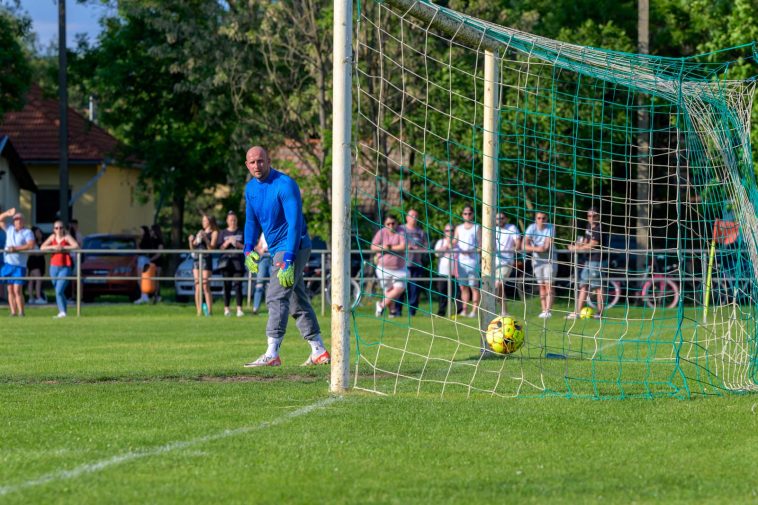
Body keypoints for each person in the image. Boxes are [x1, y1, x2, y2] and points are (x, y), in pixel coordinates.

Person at [241, 145, 330, 367]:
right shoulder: (250, 189)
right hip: (277, 249)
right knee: (295, 297)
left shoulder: (285, 184)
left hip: (294, 245)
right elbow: (251, 222)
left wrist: (289, 258)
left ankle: (272, 353)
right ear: (247, 165)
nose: (257, 165)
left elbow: (295, 224)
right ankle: (318, 350)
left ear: (269, 160)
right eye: (252, 162)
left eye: (260, 161)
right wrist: (248, 248)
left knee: (275, 295)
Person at [567, 207, 605, 319]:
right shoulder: (589, 226)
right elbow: (586, 241)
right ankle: (577, 312)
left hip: (597, 261)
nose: (591, 218)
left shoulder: (599, 228)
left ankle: (599, 313)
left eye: (594, 216)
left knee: (598, 287)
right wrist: (577, 244)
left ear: (598, 216)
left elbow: (592, 245)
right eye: (589, 216)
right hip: (588, 260)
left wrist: (576, 249)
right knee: (583, 285)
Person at [0, 208, 36, 316]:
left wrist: (16, 248)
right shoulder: (10, 229)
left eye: (20, 219)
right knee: (10, 290)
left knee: (17, 290)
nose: (18, 221)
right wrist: (7, 213)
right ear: (13, 221)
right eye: (16, 219)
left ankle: (21, 312)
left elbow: (30, 245)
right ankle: (13, 312)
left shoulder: (27, 232)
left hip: (19, 265)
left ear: (23, 221)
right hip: (8, 264)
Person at [40, 220, 79, 318]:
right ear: (54, 229)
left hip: (65, 266)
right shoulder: (52, 237)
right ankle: (64, 312)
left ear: (63, 229)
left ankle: (61, 311)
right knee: (58, 291)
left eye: (61, 227)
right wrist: (54, 247)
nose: (59, 230)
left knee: (59, 290)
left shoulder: (67, 237)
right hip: (53, 267)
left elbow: (76, 246)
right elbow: (42, 247)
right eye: (56, 228)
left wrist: (63, 247)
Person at [371, 214, 407, 318]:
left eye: (393, 223)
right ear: (385, 224)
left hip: (399, 268)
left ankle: (381, 305)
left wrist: (389, 247)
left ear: (397, 223)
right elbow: (373, 246)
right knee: (388, 290)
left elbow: (403, 246)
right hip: (383, 267)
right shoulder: (381, 232)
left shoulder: (401, 231)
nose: (391, 226)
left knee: (399, 288)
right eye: (388, 224)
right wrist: (383, 247)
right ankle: (393, 312)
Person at [524, 211, 556, 318]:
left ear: (547, 219)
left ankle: (548, 310)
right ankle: (543, 310)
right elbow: (524, 245)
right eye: (539, 218)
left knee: (549, 285)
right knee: (541, 285)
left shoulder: (551, 228)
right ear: (535, 219)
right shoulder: (531, 228)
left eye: (543, 218)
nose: (541, 220)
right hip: (537, 260)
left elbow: (546, 246)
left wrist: (534, 248)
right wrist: (537, 248)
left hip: (549, 259)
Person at [397, 208, 429, 317]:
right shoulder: (400, 230)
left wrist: (416, 248)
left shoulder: (421, 232)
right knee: (399, 288)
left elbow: (426, 248)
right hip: (401, 265)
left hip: (416, 265)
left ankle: (412, 313)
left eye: (416, 216)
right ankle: (397, 312)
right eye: (411, 216)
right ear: (406, 217)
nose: (413, 218)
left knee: (414, 290)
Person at [453, 204, 481, 318]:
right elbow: (454, 242)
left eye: (469, 213)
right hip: (461, 262)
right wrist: (447, 245)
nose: (467, 215)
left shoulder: (477, 227)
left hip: (473, 261)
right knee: (463, 287)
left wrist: (471, 250)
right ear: (462, 215)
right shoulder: (458, 228)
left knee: (474, 286)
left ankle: (474, 311)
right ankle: (464, 310)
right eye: (465, 213)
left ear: (473, 214)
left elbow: (481, 245)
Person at [188, 214, 219, 316]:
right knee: (197, 285)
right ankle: (198, 310)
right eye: (203, 220)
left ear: (209, 221)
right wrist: (191, 241)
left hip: (206, 259)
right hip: (197, 259)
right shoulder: (199, 232)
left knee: (205, 285)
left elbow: (211, 248)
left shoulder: (214, 233)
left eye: (205, 220)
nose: (203, 222)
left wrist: (205, 238)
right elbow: (192, 249)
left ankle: (209, 311)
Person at [218, 210, 245, 317]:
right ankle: (227, 309)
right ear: (227, 221)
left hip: (238, 262)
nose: (233, 222)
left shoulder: (241, 232)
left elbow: (246, 247)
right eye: (231, 220)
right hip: (226, 263)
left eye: (234, 220)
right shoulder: (223, 233)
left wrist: (237, 244)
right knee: (227, 286)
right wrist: (227, 242)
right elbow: (219, 248)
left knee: (238, 285)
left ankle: (239, 309)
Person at [495, 213, 522, 316]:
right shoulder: (492, 229)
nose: (499, 220)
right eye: (497, 218)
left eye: (502, 218)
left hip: (506, 262)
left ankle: (501, 310)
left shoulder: (512, 228)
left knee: (498, 285)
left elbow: (518, 244)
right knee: (498, 288)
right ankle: (504, 311)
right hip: (492, 263)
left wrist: (510, 250)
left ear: (506, 219)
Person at [434, 223, 460, 316]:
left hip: (456, 272)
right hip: (443, 272)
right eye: (447, 231)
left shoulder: (459, 242)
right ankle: (441, 312)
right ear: (444, 232)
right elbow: (436, 254)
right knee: (442, 293)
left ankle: (459, 312)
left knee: (457, 294)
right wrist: (447, 246)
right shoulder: (440, 242)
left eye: (452, 230)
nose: (450, 232)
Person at [27, 226, 46, 304]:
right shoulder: (32, 241)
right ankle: (37, 297)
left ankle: (31, 297)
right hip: (34, 262)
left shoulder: (42, 241)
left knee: (32, 280)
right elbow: (35, 252)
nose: (39, 233)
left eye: (40, 231)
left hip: (40, 262)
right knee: (37, 280)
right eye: (37, 232)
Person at [252, 234, 271, 315]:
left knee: (271, 285)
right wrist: (259, 250)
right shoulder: (263, 233)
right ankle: (255, 308)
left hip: (273, 258)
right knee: (259, 283)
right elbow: (259, 246)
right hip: (263, 258)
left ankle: (271, 308)